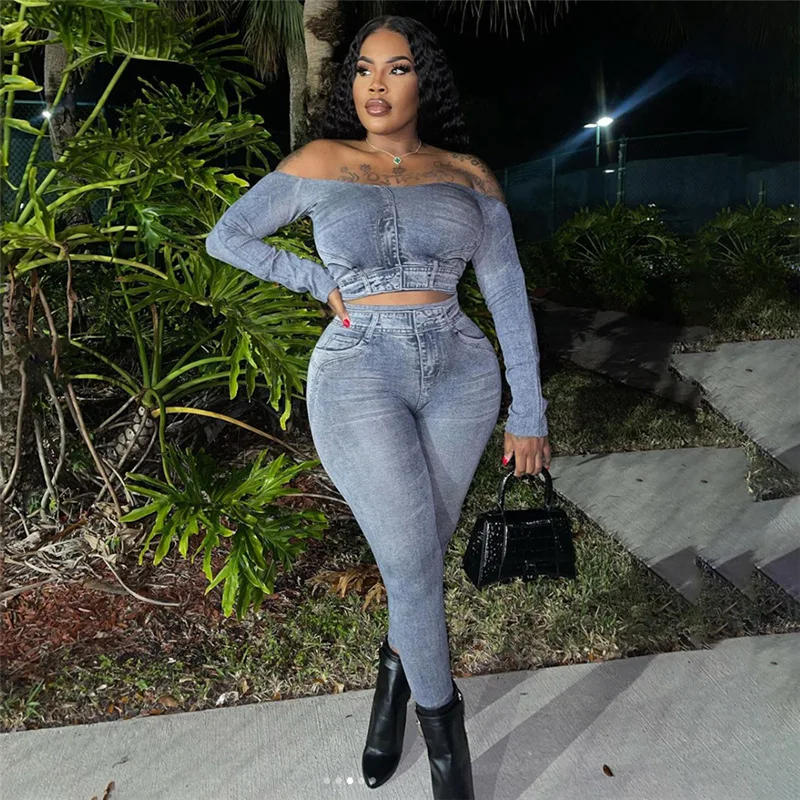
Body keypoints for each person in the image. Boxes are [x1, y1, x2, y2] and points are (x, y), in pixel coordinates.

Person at [205, 14, 551, 799]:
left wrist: (527, 409)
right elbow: (229, 236)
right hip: (359, 373)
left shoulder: (467, 174)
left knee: (416, 561)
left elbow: (506, 294)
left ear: (425, 81)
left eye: (396, 69)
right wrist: (314, 282)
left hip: (461, 374)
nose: (376, 84)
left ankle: (393, 684)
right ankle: (449, 750)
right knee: (413, 564)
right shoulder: (321, 162)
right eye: (363, 68)